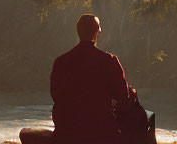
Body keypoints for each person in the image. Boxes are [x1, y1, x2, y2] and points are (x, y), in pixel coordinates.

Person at [20, 14, 136, 144]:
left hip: (67, 131)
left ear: (78, 32)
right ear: (96, 33)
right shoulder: (109, 61)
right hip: (101, 131)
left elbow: (56, 95)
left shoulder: (61, 62)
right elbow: (123, 96)